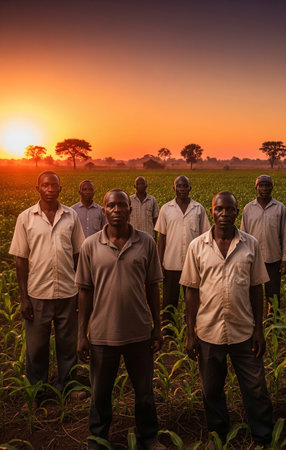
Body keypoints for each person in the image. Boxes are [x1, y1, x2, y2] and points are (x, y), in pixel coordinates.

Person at [180, 191, 273, 446]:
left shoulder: (250, 244)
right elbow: (191, 290)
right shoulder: (197, 246)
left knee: (255, 388)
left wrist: (259, 330)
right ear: (212, 211)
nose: (224, 214)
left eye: (229, 209)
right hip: (209, 332)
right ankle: (218, 435)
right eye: (219, 209)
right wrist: (191, 333)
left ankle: (263, 437)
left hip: (243, 330)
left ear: (236, 211)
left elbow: (256, 288)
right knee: (211, 390)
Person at [76, 189, 164, 449]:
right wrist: (82, 334)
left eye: (121, 205)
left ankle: (149, 437)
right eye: (111, 205)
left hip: (139, 333)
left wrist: (157, 327)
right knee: (100, 393)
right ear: (104, 210)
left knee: (144, 392)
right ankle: (98, 438)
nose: (116, 210)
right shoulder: (90, 245)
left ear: (130, 209)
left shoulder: (146, 242)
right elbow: (84, 290)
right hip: (103, 334)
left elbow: (153, 287)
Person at [9, 171, 85, 404]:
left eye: (54, 185)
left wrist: (79, 290)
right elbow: (21, 259)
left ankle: (68, 386)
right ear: (38, 189)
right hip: (38, 293)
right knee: (36, 347)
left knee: (67, 345)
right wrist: (24, 298)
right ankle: (37, 391)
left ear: (61, 189)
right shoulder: (26, 218)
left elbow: (77, 254)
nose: (50, 189)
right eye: (45, 185)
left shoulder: (71, 216)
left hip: (66, 292)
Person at [154, 175, 210, 325]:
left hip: (193, 264)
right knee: (168, 300)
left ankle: (193, 327)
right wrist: (160, 264)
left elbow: (206, 237)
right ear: (174, 188)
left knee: (193, 299)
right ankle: (167, 329)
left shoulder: (198, 209)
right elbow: (161, 237)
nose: (182, 189)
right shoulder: (166, 209)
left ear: (190, 188)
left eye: (185, 186)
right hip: (171, 263)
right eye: (179, 186)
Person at [240, 175, 286, 310]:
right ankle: (253, 321)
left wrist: (285, 258)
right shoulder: (248, 208)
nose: (264, 188)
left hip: (273, 258)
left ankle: (273, 321)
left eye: (267, 185)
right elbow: (243, 234)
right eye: (261, 185)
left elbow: (284, 234)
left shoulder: (280, 208)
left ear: (272, 187)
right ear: (256, 187)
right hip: (252, 258)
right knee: (252, 293)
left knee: (273, 294)